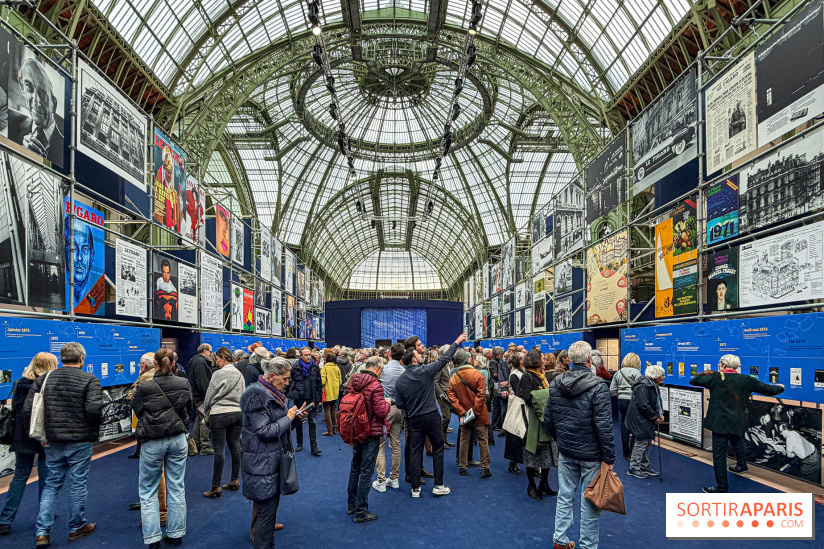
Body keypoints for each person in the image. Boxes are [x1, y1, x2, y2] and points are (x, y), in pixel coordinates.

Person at [25, 342, 103, 547]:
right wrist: (92, 434)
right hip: (80, 440)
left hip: (52, 441)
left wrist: (43, 435)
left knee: (51, 484)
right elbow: (94, 411)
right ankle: (76, 527)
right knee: (77, 484)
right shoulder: (89, 380)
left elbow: (29, 409)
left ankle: (42, 532)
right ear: (82, 359)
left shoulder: (44, 379)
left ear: (61, 358)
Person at [544, 341, 614, 549]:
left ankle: (560, 540)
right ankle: (587, 545)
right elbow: (604, 427)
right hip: (591, 455)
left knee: (564, 496)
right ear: (589, 360)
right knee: (590, 502)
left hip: (566, 451)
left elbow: (548, 419)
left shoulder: (556, 383)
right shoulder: (599, 386)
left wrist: (561, 440)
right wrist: (609, 458)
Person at [690, 354, 784, 493]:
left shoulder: (715, 378)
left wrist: (708, 372)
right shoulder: (746, 379)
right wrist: (780, 387)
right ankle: (742, 465)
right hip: (737, 419)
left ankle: (722, 488)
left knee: (719, 455)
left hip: (720, 422)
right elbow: (769, 390)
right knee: (738, 441)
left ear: (723, 365)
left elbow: (694, 381)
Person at [240, 357, 308, 549]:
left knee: (268, 516)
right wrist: (288, 418)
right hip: (262, 463)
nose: (287, 383)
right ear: (271, 376)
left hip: (271, 461)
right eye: (285, 379)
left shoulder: (273, 394)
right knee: (265, 517)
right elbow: (265, 432)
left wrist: (295, 419)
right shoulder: (258, 398)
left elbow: (278, 429)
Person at [131, 348, 192, 548]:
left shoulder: (145, 387)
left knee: (148, 490)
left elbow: (138, 411)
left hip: (153, 439)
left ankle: (152, 539)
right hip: (177, 438)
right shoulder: (183, 383)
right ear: (173, 363)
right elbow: (187, 409)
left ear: (154, 364)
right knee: (177, 486)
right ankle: (175, 534)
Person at [395, 332, 466, 497]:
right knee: (438, 448)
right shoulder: (426, 371)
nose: (421, 355)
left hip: (413, 419)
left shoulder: (400, 381)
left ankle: (415, 489)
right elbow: (445, 358)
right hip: (431, 416)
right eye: (418, 354)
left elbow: (400, 404)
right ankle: (438, 485)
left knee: (414, 450)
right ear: (413, 360)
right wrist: (456, 341)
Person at [0, 353, 57, 535]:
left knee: (19, 477)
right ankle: (44, 513)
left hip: (22, 437)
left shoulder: (19, 383)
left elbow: (18, 410)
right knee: (46, 477)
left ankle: (5, 520)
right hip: (43, 436)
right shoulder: (49, 385)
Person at [345, 357, 391, 522]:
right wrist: (388, 403)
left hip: (355, 429)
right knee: (366, 471)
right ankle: (361, 510)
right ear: (378, 368)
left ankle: (351, 505)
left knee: (355, 468)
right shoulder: (375, 385)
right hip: (371, 432)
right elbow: (380, 412)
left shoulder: (353, 381)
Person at [203, 347, 245, 498]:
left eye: (217, 359)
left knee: (219, 449)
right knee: (235, 446)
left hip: (219, 414)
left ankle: (215, 486)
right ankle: (234, 479)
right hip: (237, 413)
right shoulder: (239, 374)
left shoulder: (218, 374)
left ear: (222, 358)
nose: (216, 362)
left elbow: (209, 396)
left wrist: (205, 411)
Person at [8, 56, 64, 165]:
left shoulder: (65, 148)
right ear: (23, 88)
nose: (36, 103)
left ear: (54, 104)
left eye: (43, 95)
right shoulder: (9, 122)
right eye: (29, 87)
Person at [519, 348, 558, 500]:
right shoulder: (528, 376)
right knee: (532, 454)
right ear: (536, 361)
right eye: (542, 358)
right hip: (532, 422)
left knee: (547, 453)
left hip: (545, 420)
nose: (545, 361)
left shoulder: (542, 376)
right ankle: (531, 485)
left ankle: (544, 483)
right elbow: (527, 397)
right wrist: (548, 395)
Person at [448, 349, 491, 478]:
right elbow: (481, 394)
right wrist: (475, 411)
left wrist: (462, 411)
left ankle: (462, 466)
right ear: (467, 360)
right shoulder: (478, 374)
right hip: (479, 413)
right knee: (483, 440)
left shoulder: (454, 377)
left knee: (464, 439)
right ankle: (485, 468)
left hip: (464, 414)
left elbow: (451, 396)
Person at [373, 343, 406, 492]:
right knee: (396, 444)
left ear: (389, 353)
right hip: (399, 409)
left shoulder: (384, 370)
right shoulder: (404, 371)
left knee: (380, 444)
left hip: (384, 409)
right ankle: (394, 478)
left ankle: (381, 481)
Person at [625, 364, 665, 479]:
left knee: (647, 442)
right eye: (662, 375)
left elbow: (657, 401)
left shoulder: (652, 384)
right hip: (640, 419)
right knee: (641, 442)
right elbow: (643, 405)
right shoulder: (643, 386)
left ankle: (644, 466)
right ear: (655, 376)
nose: (664, 377)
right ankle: (634, 467)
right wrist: (654, 416)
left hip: (645, 418)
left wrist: (660, 413)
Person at [289, 347, 322, 455]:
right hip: (299, 398)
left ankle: (314, 446)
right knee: (298, 422)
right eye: (306, 355)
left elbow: (319, 384)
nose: (308, 357)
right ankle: (299, 443)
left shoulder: (315, 367)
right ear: (301, 356)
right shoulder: (295, 367)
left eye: (309, 354)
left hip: (311, 398)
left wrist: (319, 399)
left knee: (312, 421)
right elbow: (291, 382)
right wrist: (293, 394)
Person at [610, 353, 642, 460]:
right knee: (634, 427)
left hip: (621, 401)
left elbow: (612, 390)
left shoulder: (618, 373)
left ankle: (625, 451)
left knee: (624, 427)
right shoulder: (637, 373)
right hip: (633, 402)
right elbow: (640, 389)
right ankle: (632, 452)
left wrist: (619, 394)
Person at [188, 343, 214, 455]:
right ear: (204, 350)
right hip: (202, 397)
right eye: (210, 351)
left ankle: (198, 443)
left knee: (199, 419)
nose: (211, 354)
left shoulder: (196, 361)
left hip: (197, 396)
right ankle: (205, 446)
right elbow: (202, 381)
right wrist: (207, 396)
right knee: (205, 420)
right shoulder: (200, 362)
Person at [503, 352, 525, 476]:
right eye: (523, 358)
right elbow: (519, 392)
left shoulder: (521, 373)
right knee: (515, 435)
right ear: (520, 361)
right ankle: (513, 463)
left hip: (522, 408)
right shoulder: (515, 374)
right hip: (517, 408)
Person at [433, 345, 454, 448]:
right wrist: (441, 394)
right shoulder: (439, 365)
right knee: (446, 418)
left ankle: (444, 440)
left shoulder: (448, 365)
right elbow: (435, 382)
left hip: (449, 394)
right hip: (443, 395)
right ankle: (441, 441)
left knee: (447, 418)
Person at [320, 350, 341, 436]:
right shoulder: (337, 368)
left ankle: (330, 430)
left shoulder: (324, 368)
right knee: (333, 410)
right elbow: (340, 381)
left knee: (327, 411)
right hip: (335, 393)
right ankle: (335, 428)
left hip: (327, 392)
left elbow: (322, 381)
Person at [491, 347, 509, 437]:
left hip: (500, 384)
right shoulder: (493, 362)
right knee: (496, 406)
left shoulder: (499, 362)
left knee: (499, 406)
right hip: (497, 385)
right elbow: (495, 375)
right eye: (500, 354)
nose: (501, 355)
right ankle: (494, 425)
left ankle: (497, 424)